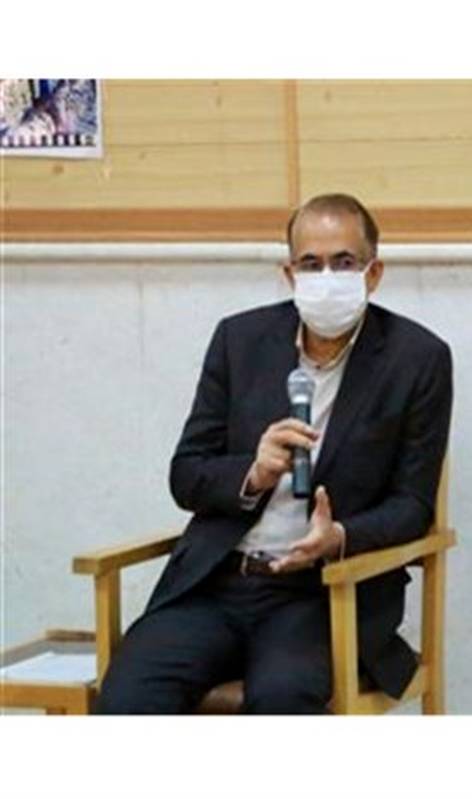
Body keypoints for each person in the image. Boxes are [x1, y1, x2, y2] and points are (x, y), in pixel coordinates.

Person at [96, 194, 453, 714]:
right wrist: (253, 473)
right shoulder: (239, 340)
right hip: (217, 583)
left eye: (344, 262)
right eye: (311, 263)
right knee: (129, 695)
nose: (326, 276)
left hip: (320, 594)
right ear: (289, 274)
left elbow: (412, 505)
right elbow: (186, 475)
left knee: (282, 698)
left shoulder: (417, 358)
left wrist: (340, 537)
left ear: (373, 274)